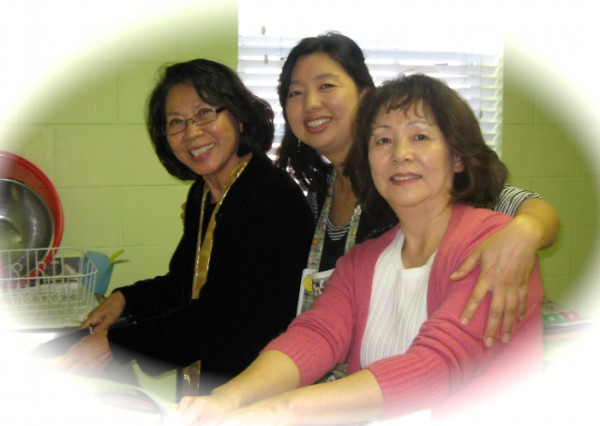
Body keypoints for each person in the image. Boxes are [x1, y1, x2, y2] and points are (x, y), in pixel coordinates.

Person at [177, 74, 544, 425]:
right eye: (382, 140)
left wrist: (282, 410)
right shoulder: (362, 261)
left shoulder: (495, 246)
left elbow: (437, 366)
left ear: (458, 157)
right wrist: (226, 398)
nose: (400, 154)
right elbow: (314, 336)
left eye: (419, 136)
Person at [275, 33, 558, 350]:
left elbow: (525, 208)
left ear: (365, 95)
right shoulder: (319, 195)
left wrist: (525, 232)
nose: (311, 103)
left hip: (417, 353)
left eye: (326, 85)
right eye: (295, 92)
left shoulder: (405, 178)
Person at [57, 59, 315, 398]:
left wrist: (116, 344)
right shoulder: (205, 193)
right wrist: (125, 299)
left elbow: (221, 318)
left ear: (239, 117)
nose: (191, 133)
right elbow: (184, 282)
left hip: (260, 393)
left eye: (205, 113)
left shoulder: (270, 199)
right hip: (213, 385)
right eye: (176, 122)